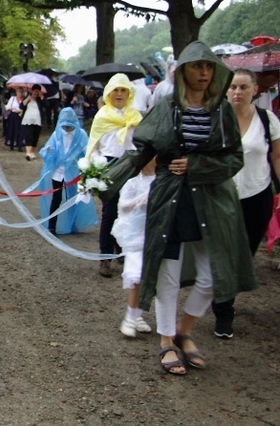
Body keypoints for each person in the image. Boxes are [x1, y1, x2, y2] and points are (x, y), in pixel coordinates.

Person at [100, 41, 257, 376]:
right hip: (170, 197)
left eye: (208, 67)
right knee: (168, 276)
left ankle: (185, 330)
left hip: (212, 200)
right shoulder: (167, 105)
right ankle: (167, 339)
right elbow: (142, 149)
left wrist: (197, 165)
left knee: (212, 275)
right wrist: (103, 179)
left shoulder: (222, 109)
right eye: (197, 67)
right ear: (184, 70)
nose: (203, 73)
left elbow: (234, 159)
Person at [211, 68, 280, 339]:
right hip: (222, 197)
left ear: (255, 90)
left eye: (243, 87)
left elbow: (276, 157)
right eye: (233, 88)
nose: (237, 92)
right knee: (224, 253)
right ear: (226, 91)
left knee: (245, 254)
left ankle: (225, 297)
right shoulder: (216, 119)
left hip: (257, 195)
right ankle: (223, 311)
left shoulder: (268, 120)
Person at [86, 74, 142, 278]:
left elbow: (140, 142)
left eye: (123, 90)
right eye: (115, 90)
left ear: (129, 93)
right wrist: (98, 167)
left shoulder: (135, 116)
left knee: (127, 211)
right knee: (109, 213)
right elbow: (94, 145)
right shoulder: (102, 116)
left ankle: (122, 248)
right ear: (109, 93)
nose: (119, 94)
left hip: (131, 165)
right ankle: (105, 257)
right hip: (109, 166)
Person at [111, 157, 155, 338]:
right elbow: (123, 206)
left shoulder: (162, 181)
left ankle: (138, 315)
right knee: (136, 276)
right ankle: (129, 316)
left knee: (152, 276)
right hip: (136, 235)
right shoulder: (132, 182)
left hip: (154, 232)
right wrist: (140, 200)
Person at [37, 107, 97, 235]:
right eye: (64, 126)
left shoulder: (81, 135)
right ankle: (52, 226)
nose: (66, 129)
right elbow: (48, 149)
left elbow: (87, 151)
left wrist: (87, 165)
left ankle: (73, 223)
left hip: (73, 172)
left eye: (69, 126)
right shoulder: (57, 134)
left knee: (73, 198)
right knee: (56, 197)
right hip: (58, 171)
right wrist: (49, 151)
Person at [21, 84, 45, 160]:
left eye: (37, 91)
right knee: (29, 136)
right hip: (28, 120)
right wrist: (28, 98)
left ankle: (32, 152)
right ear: (32, 91)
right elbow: (21, 106)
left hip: (37, 120)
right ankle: (28, 153)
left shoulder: (40, 100)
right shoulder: (28, 98)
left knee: (35, 137)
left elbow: (46, 105)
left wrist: (42, 97)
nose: (36, 93)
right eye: (35, 91)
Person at [4, 87, 25, 151]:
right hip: (13, 116)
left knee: (21, 130)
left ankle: (20, 145)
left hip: (21, 116)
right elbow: (7, 107)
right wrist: (13, 108)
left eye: (22, 92)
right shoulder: (12, 98)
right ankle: (11, 144)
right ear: (16, 92)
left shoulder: (24, 100)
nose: (20, 94)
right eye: (19, 92)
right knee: (12, 130)